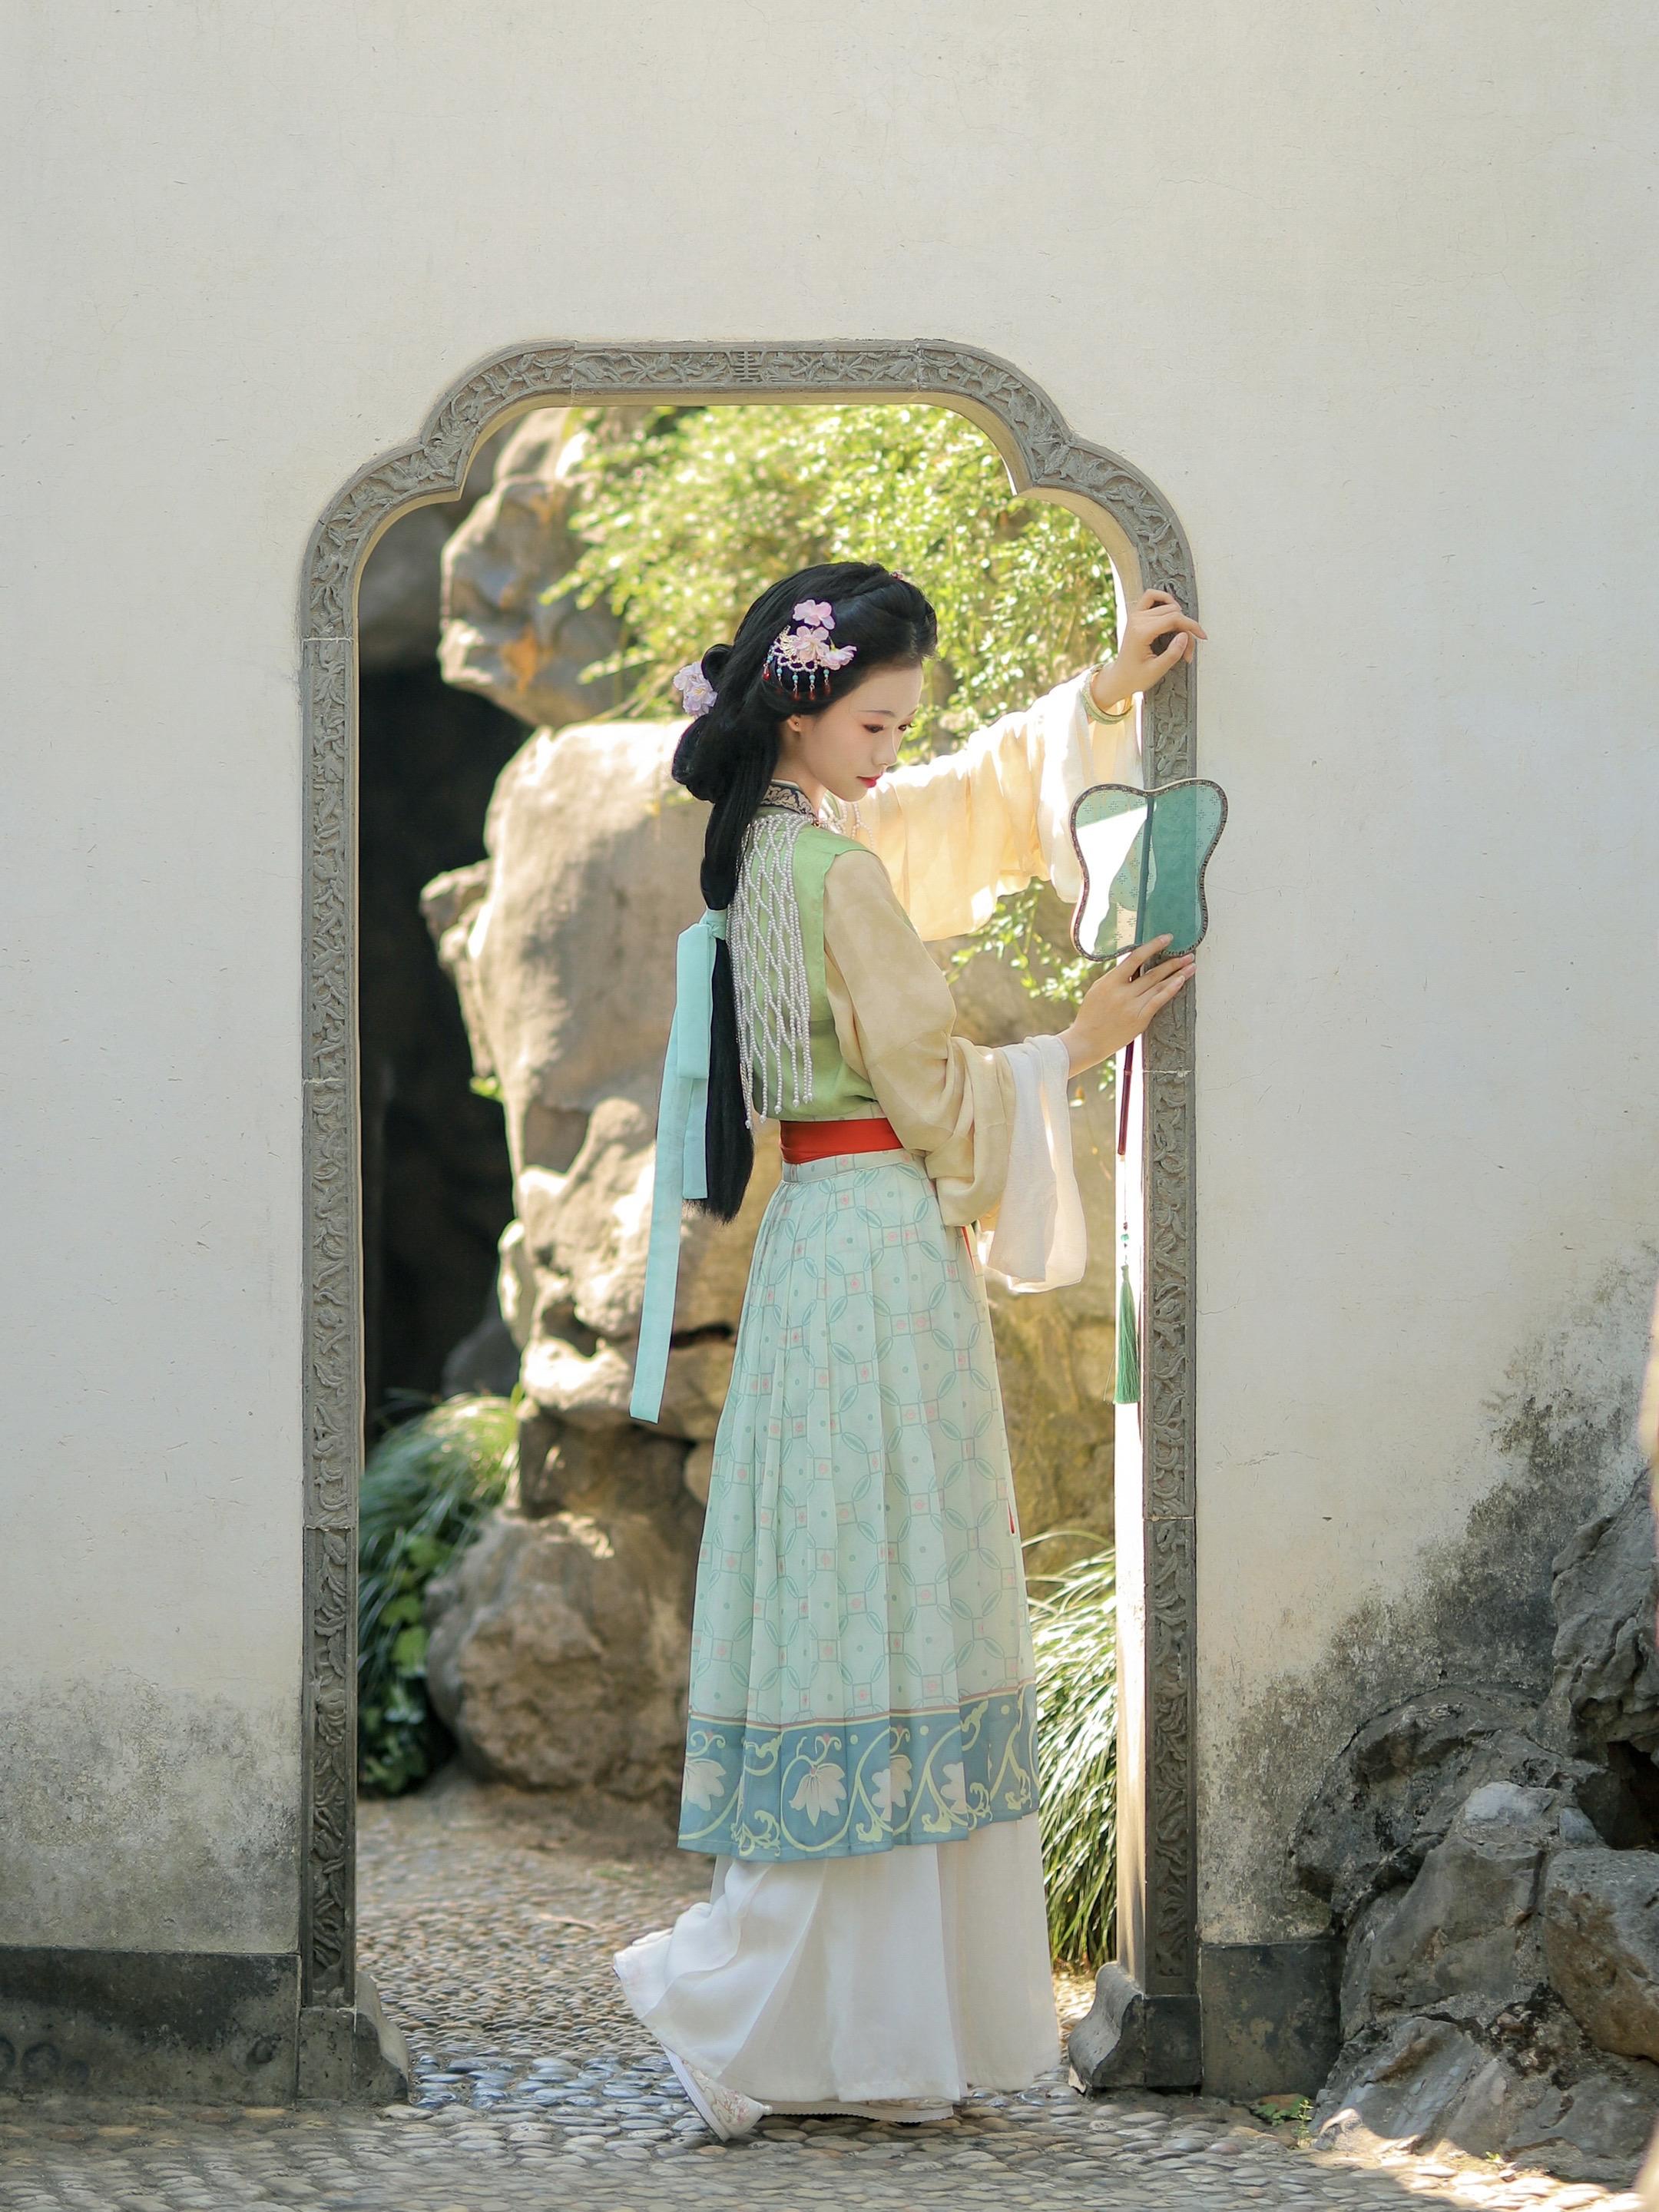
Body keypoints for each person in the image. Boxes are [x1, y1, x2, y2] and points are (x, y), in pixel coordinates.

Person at [614, 561, 1203, 2137]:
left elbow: (940, 814)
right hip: (878, 1244)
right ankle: (791, 2017)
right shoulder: (836, 872)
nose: (891, 754)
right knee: (896, 1604)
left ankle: (838, 2035)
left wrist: (1099, 698)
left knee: (848, 1609)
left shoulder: (771, 851)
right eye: (875, 725)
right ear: (803, 712)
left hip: (821, 1243)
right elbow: (931, 1089)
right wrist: (1075, 1045)